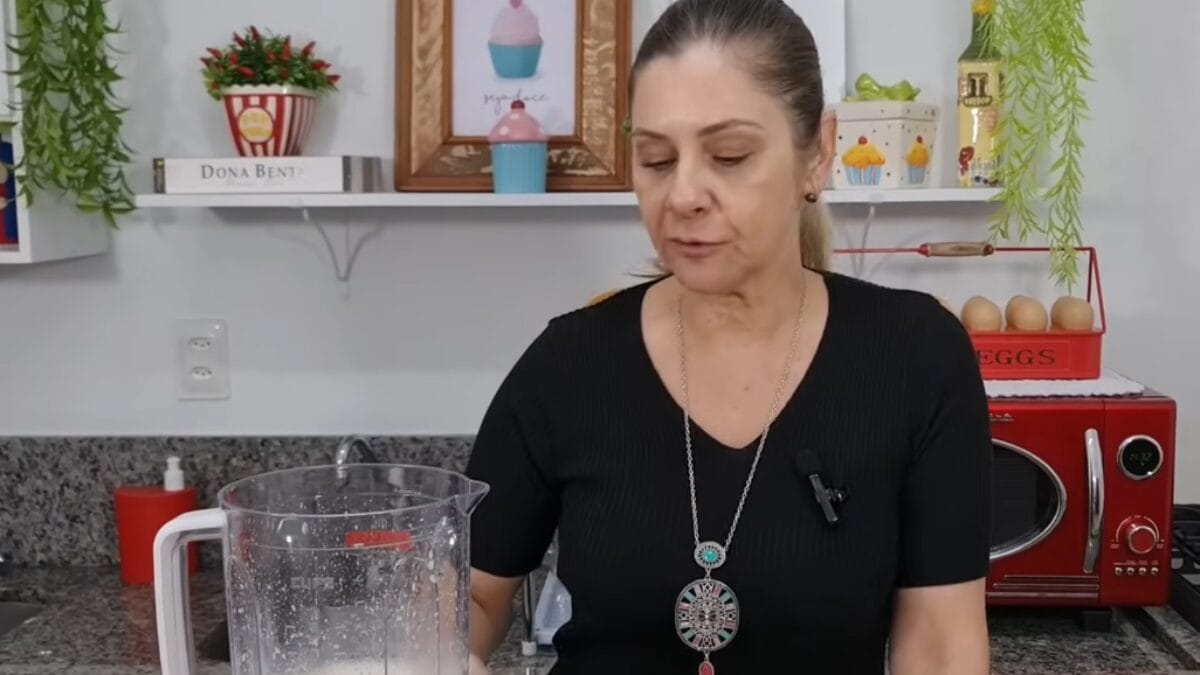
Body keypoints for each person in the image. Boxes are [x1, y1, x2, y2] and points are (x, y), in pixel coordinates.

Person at [465, 1, 993, 673]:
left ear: (818, 154)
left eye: (730, 155)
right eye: (656, 159)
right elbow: (475, 597)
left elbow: (943, 646)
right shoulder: (568, 364)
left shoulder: (916, 357)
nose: (683, 193)